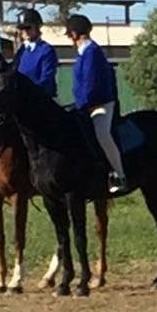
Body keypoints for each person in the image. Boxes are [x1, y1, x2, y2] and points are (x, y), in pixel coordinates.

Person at [66, 14, 127, 192]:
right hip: (86, 104)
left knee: (102, 135)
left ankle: (119, 175)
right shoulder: (83, 53)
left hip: (100, 104)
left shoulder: (91, 52)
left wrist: (82, 106)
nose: (70, 38)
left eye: (70, 35)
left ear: (75, 34)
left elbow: (91, 85)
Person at [10, 9, 58, 98]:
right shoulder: (22, 51)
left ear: (37, 27)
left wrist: (28, 92)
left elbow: (46, 80)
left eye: (28, 27)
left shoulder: (46, 50)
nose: (25, 31)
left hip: (41, 99)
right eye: (22, 28)